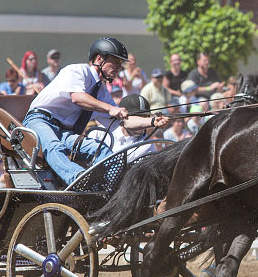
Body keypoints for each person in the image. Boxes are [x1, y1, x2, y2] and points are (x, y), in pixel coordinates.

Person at [23, 37, 168, 186]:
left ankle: (110, 191)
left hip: (63, 131)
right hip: (39, 120)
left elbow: (123, 123)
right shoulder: (77, 71)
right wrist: (111, 108)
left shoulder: (101, 92)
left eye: (121, 64)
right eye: (115, 62)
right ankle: (78, 180)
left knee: (102, 151)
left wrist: (152, 121)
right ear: (99, 59)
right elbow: (78, 98)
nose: (119, 68)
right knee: (54, 146)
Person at [109, 94, 159, 161]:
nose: (142, 121)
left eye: (145, 117)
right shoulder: (102, 132)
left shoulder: (147, 145)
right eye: (137, 117)